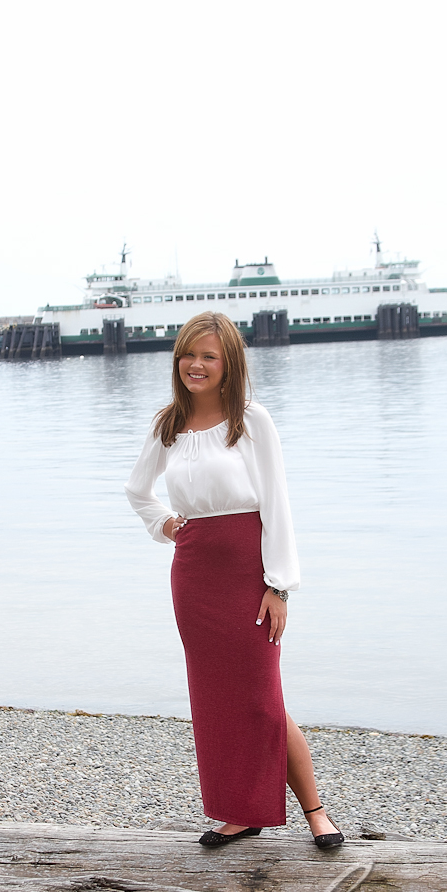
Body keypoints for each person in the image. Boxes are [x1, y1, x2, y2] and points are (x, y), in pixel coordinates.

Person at [125, 312, 343, 850]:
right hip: (194, 575)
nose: (196, 365)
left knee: (262, 699)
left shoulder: (251, 420)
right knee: (216, 699)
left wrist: (279, 585)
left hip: (248, 572)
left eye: (209, 357)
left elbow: (276, 503)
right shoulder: (169, 424)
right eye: (188, 354)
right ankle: (239, 813)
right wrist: (165, 524)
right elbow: (137, 490)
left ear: (229, 365)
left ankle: (316, 812)